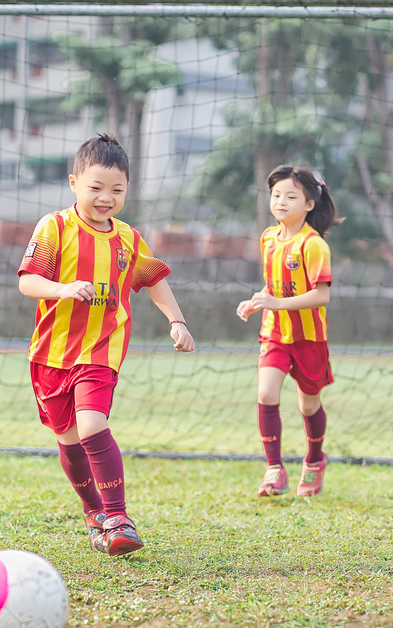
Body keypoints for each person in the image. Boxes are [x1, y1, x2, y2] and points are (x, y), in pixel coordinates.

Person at [18, 134, 194, 556]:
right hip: (51, 353)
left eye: (117, 190)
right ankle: (94, 512)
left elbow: (153, 280)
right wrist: (61, 289)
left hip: (101, 352)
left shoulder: (129, 239)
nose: (106, 197)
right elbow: (27, 281)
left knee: (93, 425)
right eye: (96, 187)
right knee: (69, 440)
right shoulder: (55, 226)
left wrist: (177, 320)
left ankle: (118, 516)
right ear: (74, 182)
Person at [236, 164, 343, 498]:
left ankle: (314, 461)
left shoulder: (314, 246)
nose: (281, 201)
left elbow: (321, 296)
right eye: (276, 195)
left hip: (309, 339)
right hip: (274, 335)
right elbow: (274, 285)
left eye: (291, 196)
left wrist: (277, 303)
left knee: (308, 406)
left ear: (309, 204)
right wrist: (258, 300)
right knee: (266, 394)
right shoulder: (267, 238)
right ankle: (274, 470)